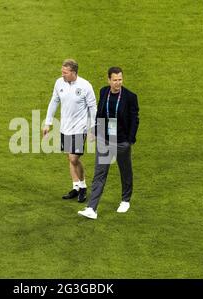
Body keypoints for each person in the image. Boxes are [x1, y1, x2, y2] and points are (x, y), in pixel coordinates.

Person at [78, 67, 139, 219]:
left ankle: (125, 200)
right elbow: (100, 113)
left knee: (125, 171)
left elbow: (134, 119)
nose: (118, 83)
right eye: (115, 80)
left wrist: (130, 140)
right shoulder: (104, 91)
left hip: (121, 141)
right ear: (109, 80)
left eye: (120, 80)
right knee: (100, 173)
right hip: (105, 139)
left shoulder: (130, 97)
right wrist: (95, 130)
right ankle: (92, 208)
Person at [43, 59, 97, 203]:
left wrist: (93, 128)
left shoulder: (85, 86)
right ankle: (76, 187)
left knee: (74, 158)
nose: (62, 75)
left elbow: (93, 107)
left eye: (65, 73)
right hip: (65, 128)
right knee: (69, 158)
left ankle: (83, 186)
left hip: (80, 128)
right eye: (62, 72)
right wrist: (48, 122)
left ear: (73, 73)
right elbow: (54, 101)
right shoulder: (59, 83)